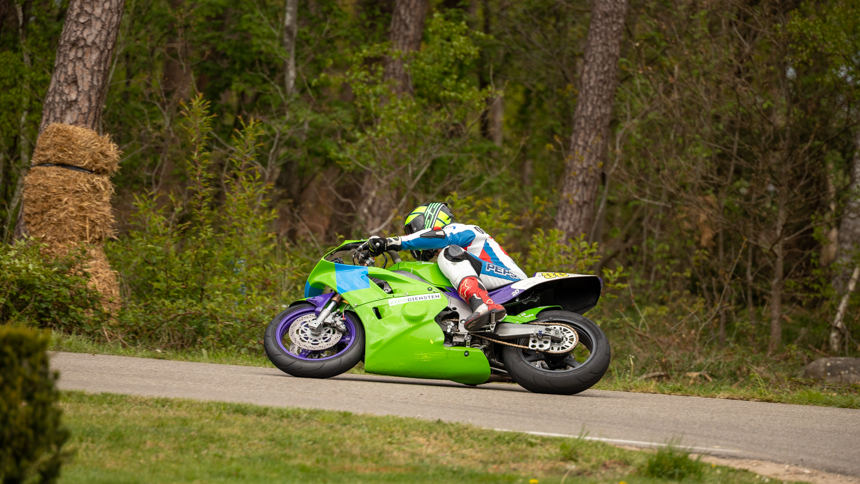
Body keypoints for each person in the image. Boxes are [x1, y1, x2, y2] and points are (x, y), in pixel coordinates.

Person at [362, 202, 527, 331]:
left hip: (511, 280)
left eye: (414, 228)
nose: (412, 233)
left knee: (449, 253)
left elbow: (440, 237)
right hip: (495, 281)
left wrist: (392, 242)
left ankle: (483, 304)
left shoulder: (461, 230)